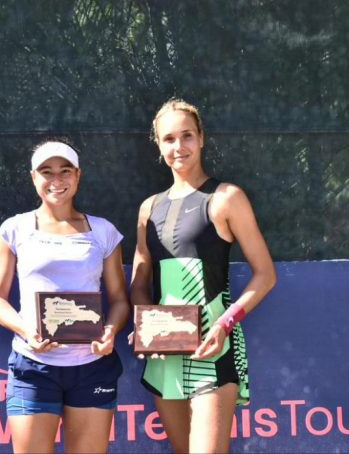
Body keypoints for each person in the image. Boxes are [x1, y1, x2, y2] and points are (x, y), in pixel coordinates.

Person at [130, 99, 277, 454]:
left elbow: (265, 275)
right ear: (158, 145)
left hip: (214, 348)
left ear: (201, 138)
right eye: (169, 139)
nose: (178, 146)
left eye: (187, 136)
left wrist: (225, 325)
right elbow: (139, 279)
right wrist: (147, 328)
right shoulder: (149, 208)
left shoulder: (227, 198)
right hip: (163, 356)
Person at [0, 140, 130, 454]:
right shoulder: (14, 229)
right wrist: (27, 332)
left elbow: (120, 300)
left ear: (78, 176)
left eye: (65, 171)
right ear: (33, 177)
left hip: (93, 366)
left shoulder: (104, 231)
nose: (56, 179)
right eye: (46, 172)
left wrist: (109, 332)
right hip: (32, 367)